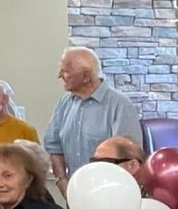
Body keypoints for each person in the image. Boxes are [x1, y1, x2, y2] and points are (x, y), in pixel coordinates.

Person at [44, 46, 145, 196]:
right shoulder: (64, 103)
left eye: (66, 71)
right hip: (74, 195)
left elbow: (130, 159)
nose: (60, 75)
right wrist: (62, 182)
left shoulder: (120, 105)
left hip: (110, 196)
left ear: (86, 77)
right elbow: (54, 147)